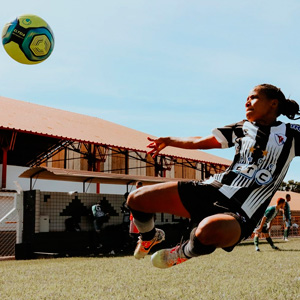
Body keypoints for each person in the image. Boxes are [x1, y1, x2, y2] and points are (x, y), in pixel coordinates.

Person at [126, 83, 300, 269]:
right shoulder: (242, 127)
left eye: (253, 97)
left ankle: (181, 252)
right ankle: (149, 237)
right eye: (247, 98)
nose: (247, 101)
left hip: (243, 210)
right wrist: (169, 141)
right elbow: (201, 141)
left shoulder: (292, 134)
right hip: (213, 189)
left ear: (273, 104)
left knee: (209, 231)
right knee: (137, 199)